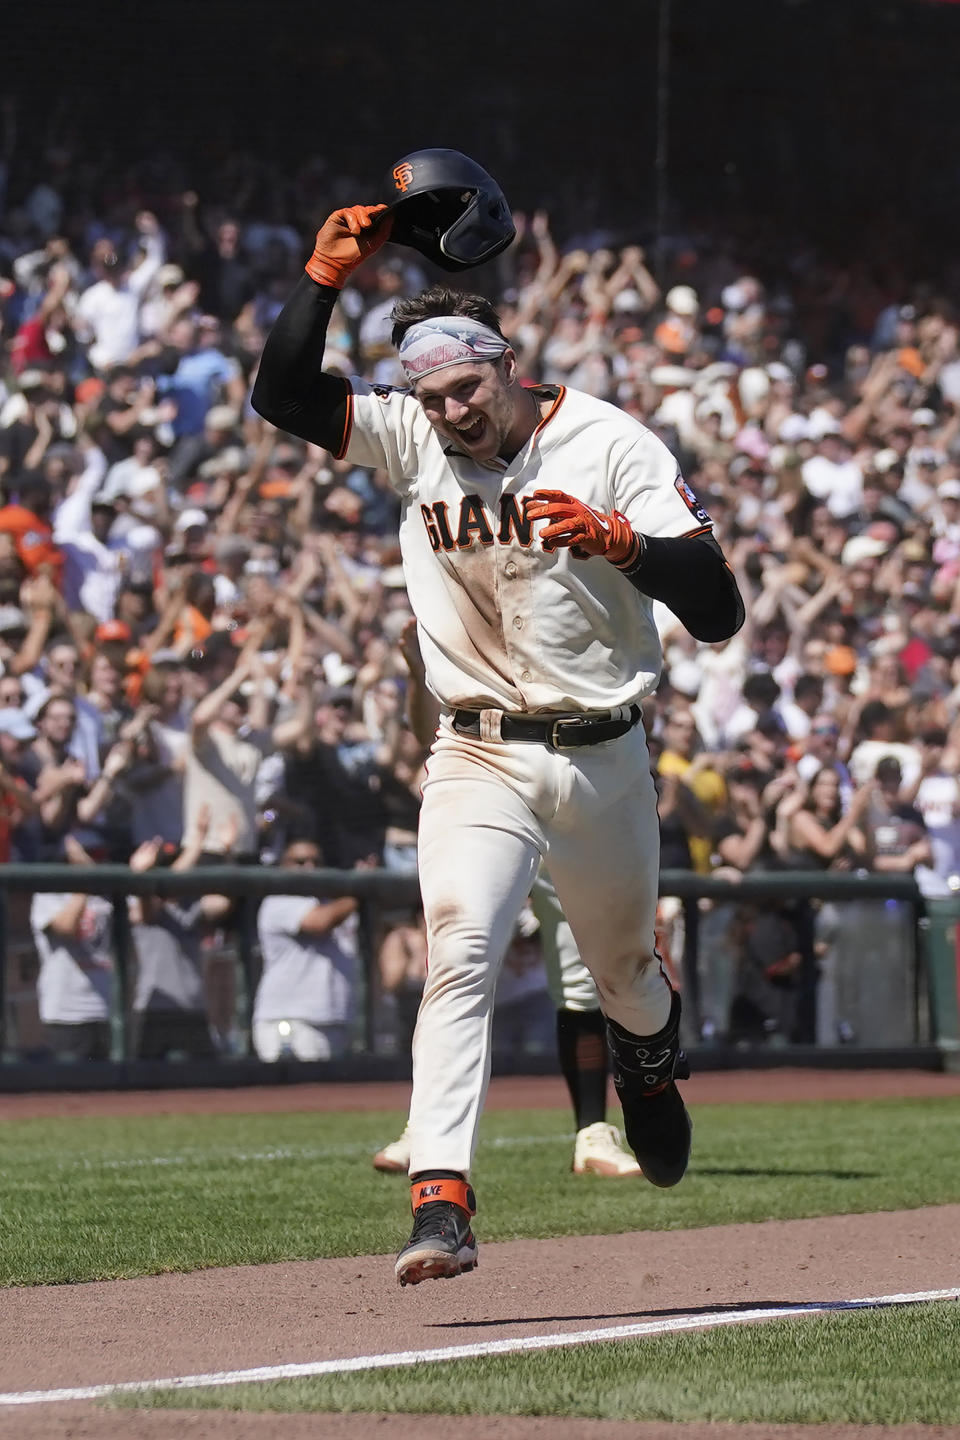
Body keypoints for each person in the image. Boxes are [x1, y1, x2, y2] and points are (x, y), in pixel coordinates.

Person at [250, 201, 747, 1286]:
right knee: (460, 946)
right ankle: (443, 1203)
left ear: (507, 365)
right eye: (429, 399)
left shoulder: (610, 442)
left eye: (464, 390)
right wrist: (323, 275)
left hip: (602, 753)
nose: (449, 414)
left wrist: (628, 546)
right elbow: (283, 394)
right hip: (474, 749)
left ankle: (648, 1061)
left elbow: (718, 610)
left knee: (622, 977)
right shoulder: (412, 435)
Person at [372, 621, 642, 1180]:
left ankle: (593, 1130)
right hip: (489, 795)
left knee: (581, 976)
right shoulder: (460, 624)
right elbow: (428, 739)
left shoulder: (560, 614)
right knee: (458, 963)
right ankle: (427, 1131)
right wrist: (419, 672)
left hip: (573, 794)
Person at [252, 836, 366, 1062]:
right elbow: (319, 923)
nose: (310, 867)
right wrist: (361, 889)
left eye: (316, 861)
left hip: (336, 1020)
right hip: (290, 1021)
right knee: (293, 1096)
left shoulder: (336, 903)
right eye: (300, 862)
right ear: (283, 866)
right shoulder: (278, 900)